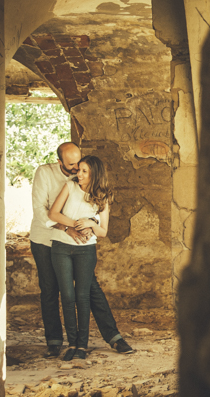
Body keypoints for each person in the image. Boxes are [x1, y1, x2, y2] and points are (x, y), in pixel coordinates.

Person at [29, 142, 134, 357]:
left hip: (77, 243)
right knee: (50, 289)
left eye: (80, 163)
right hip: (46, 238)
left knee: (90, 289)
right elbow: (42, 210)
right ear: (59, 162)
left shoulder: (83, 177)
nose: (77, 169)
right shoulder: (45, 174)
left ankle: (113, 336)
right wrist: (69, 227)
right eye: (71, 165)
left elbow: (93, 208)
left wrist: (90, 224)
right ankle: (54, 340)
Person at [47, 155, 113, 361]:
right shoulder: (69, 186)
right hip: (61, 247)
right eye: (79, 170)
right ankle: (72, 343)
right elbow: (53, 214)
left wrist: (91, 223)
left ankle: (82, 346)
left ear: (95, 174)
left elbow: (103, 232)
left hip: (86, 250)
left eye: (84, 171)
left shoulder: (102, 197)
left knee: (83, 296)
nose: (79, 174)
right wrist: (76, 224)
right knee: (67, 296)